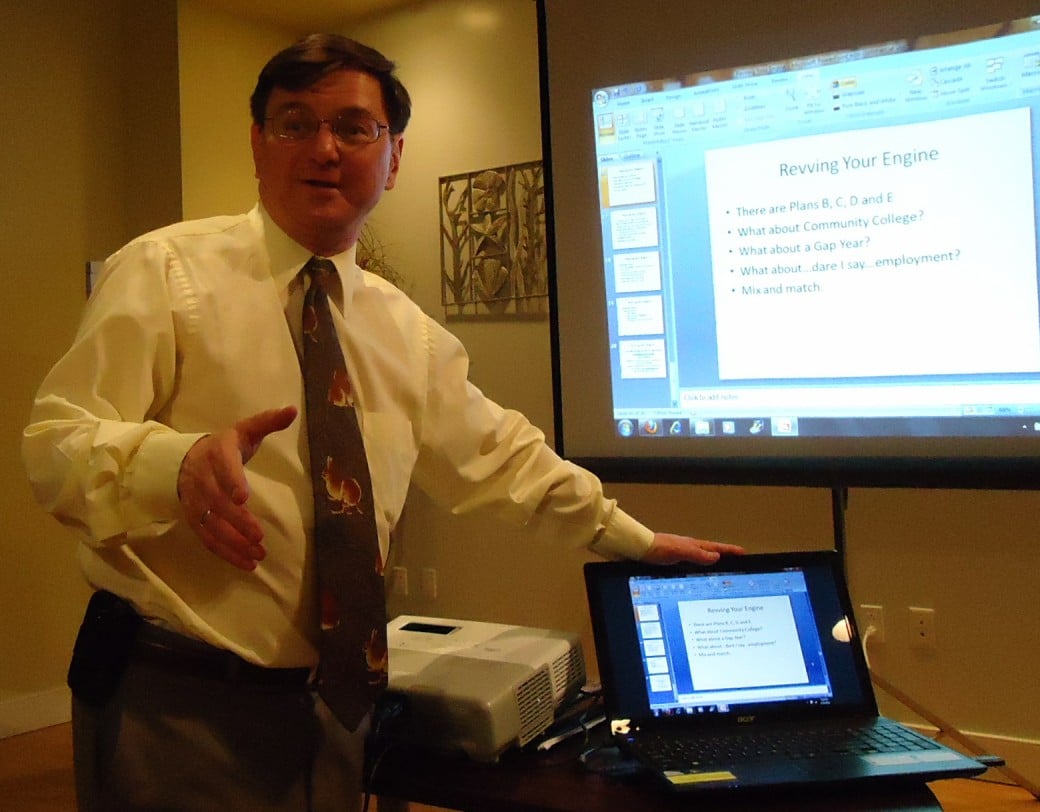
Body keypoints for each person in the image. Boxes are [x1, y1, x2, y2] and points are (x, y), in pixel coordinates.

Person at [22, 33, 743, 812]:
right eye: (294, 123)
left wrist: (635, 541)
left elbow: (506, 460)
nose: (324, 148)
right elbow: (56, 445)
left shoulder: (408, 333)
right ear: (259, 146)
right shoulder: (164, 272)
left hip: (337, 713)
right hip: (178, 699)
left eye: (353, 128)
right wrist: (177, 463)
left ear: (394, 157)